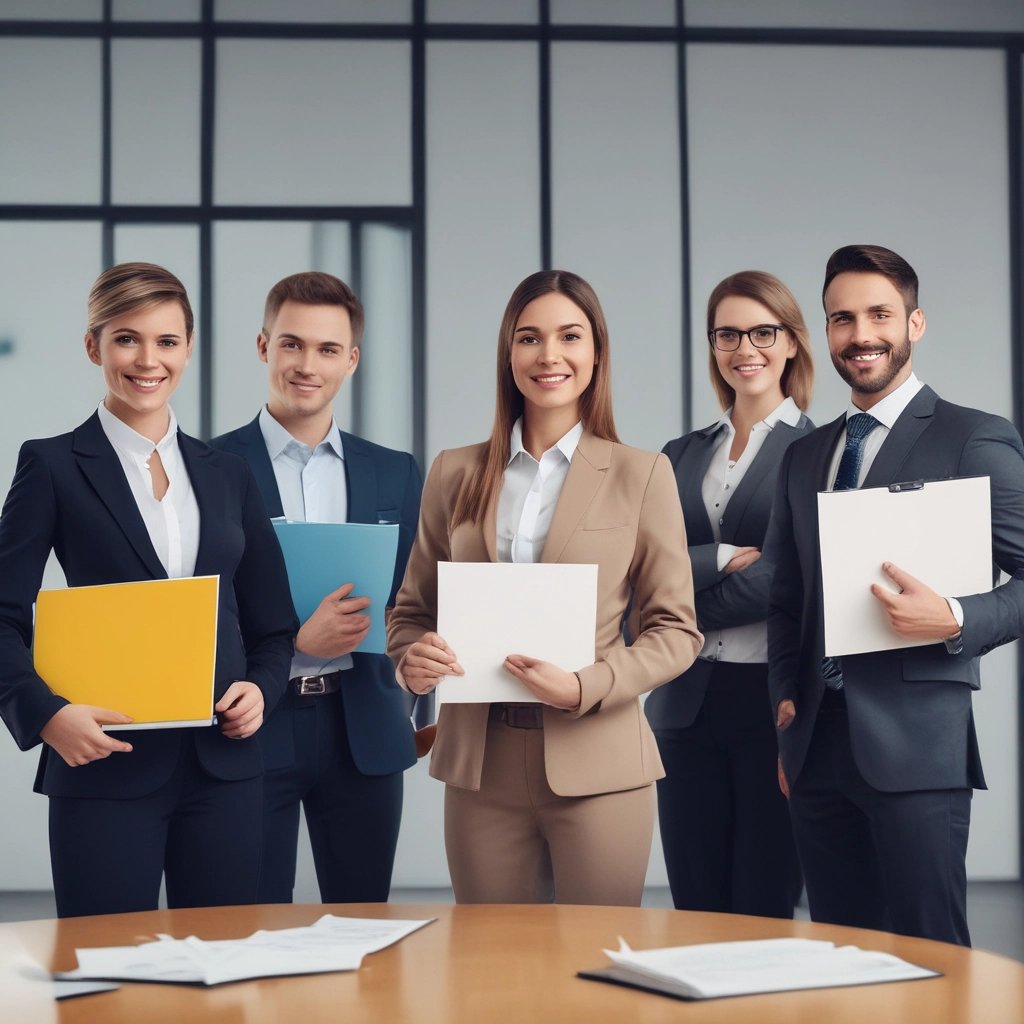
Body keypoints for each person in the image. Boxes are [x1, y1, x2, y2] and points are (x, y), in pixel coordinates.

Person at [386, 269, 702, 906]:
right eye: (529, 338)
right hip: (480, 766)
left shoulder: (643, 474)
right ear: (509, 355)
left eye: (570, 336)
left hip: (599, 760)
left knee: (596, 958)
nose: (549, 355)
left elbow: (676, 632)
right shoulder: (454, 472)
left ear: (596, 353)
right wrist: (411, 658)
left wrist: (586, 685)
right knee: (490, 960)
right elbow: (412, 611)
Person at [0, 262, 297, 918]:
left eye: (166, 341)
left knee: (223, 967)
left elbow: (275, 626)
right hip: (104, 763)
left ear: (188, 349)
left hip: (225, 767)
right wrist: (44, 714)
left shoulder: (229, 474)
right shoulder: (51, 464)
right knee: (104, 967)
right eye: (126, 339)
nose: (147, 360)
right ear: (94, 347)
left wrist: (263, 690)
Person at [766, 244, 1024, 945]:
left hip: (918, 752)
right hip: (815, 750)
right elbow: (788, 599)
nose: (861, 335)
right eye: (842, 319)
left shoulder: (973, 438)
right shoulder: (804, 457)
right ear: (826, 331)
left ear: (915, 323)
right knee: (843, 957)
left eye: (879, 314)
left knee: (932, 957)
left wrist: (956, 617)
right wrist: (786, 706)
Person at [210, 272, 421, 904]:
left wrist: (418, 676)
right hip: (250, 726)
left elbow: (412, 601)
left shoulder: (395, 471)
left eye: (328, 349)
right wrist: (297, 642)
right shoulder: (208, 467)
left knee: (364, 924)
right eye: (292, 344)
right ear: (263, 346)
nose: (308, 365)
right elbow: (198, 608)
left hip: (364, 728)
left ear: (351, 360)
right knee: (247, 925)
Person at [647, 270, 812, 917]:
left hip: (771, 704)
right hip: (683, 700)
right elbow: (641, 570)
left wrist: (671, 609)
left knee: (763, 905)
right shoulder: (678, 455)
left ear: (792, 342)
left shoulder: (818, 450)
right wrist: (718, 559)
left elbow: (785, 581)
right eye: (728, 334)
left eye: (763, 332)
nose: (745, 348)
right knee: (695, 905)